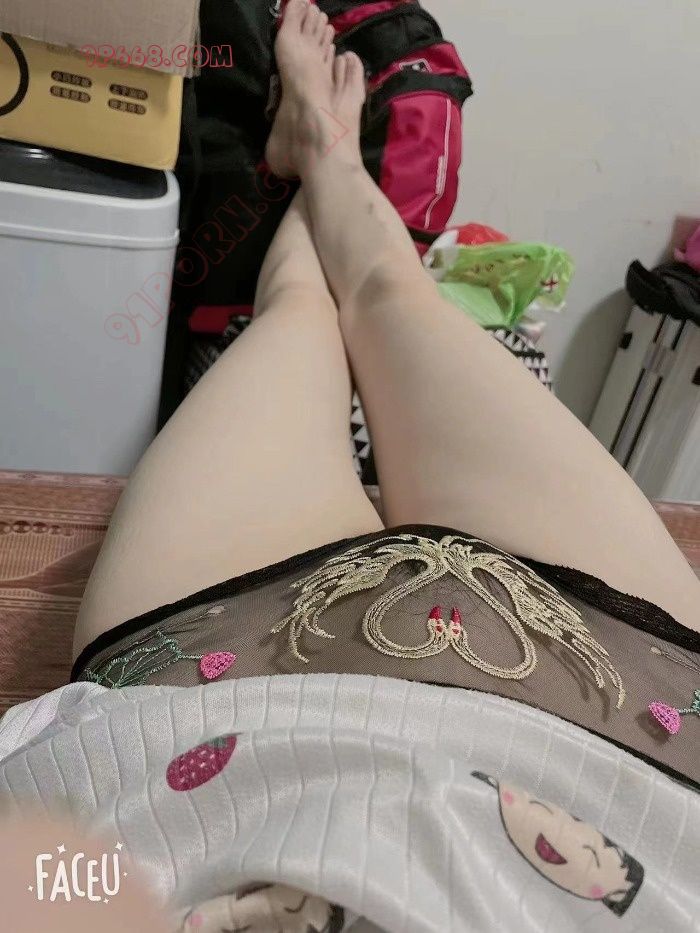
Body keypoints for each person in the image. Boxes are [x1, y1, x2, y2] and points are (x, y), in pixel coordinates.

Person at [1, 3, 698, 931]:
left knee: (302, 310)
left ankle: (317, 153)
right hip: (640, 734)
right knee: (387, 290)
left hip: (201, 721)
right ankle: (330, 157)